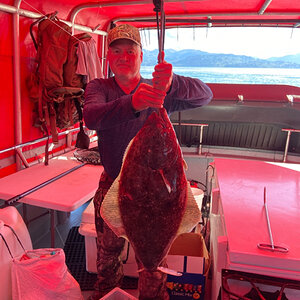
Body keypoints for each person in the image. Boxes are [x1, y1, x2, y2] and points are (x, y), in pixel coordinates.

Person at [83, 23, 213, 300]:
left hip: (160, 193)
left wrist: (173, 82)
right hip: (115, 186)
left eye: (130, 51)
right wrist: (132, 104)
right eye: (116, 51)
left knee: (153, 261)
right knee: (107, 254)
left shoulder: (158, 91)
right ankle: (108, 294)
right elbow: (92, 117)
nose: (123, 56)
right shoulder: (100, 87)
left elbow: (205, 95)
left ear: (141, 57)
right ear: (108, 58)